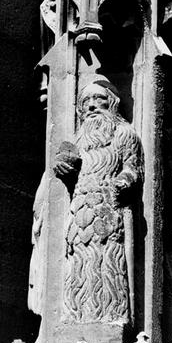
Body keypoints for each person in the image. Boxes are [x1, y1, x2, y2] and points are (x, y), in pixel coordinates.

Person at [53, 79, 144, 324]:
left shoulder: (125, 134)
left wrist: (124, 180)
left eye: (98, 99)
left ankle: (113, 315)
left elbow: (132, 167)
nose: (92, 106)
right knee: (79, 262)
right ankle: (77, 316)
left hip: (109, 207)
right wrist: (63, 167)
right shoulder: (79, 139)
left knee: (109, 260)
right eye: (86, 102)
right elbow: (68, 167)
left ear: (111, 103)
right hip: (81, 211)